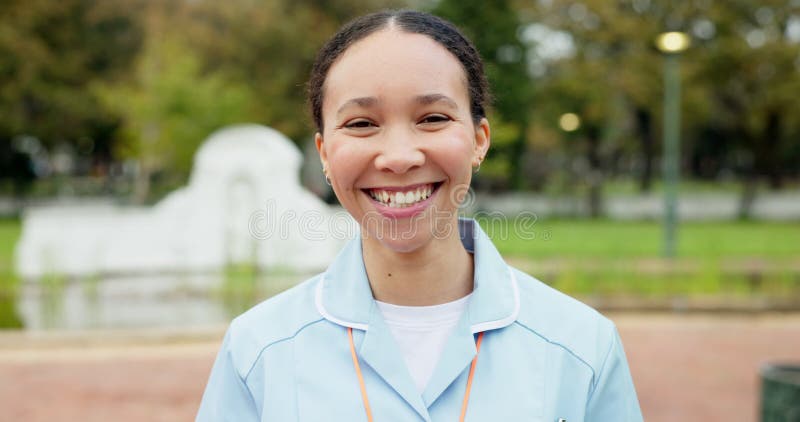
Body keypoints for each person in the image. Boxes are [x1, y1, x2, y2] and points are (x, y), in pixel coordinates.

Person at [197, 9, 643, 422]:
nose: (399, 156)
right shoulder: (259, 350)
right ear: (325, 154)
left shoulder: (581, 348)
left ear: (479, 140)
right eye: (361, 124)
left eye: (432, 118)